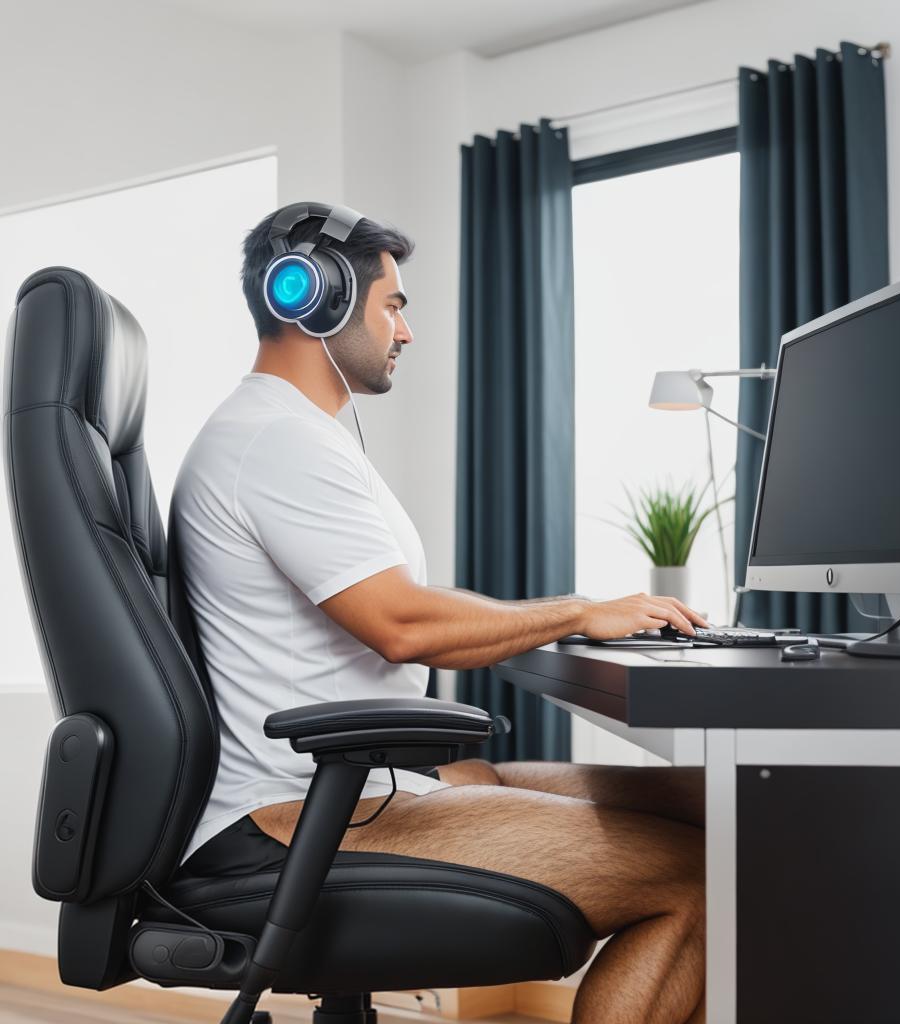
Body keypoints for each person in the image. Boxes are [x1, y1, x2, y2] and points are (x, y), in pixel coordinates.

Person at [172, 205, 708, 1024]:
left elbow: (408, 599)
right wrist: (576, 611)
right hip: (296, 814)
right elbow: (404, 626)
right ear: (314, 296)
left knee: (714, 806)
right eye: (393, 305)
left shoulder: (297, 437)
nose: (406, 332)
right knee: (698, 874)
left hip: (358, 787)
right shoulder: (274, 443)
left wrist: (583, 613)